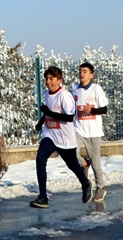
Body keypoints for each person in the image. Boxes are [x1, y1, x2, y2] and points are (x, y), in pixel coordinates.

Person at [31, 65, 93, 208]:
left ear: (60, 80)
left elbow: (69, 117)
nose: (48, 82)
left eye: (51, 79)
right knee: (40, 159)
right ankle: (43, 197)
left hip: (65, 139)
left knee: (72, 165)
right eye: (46, 79)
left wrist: (48, 113)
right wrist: (40, 123)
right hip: (50, 134)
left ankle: (85, 183)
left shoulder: (65, 96)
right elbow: (49, 111)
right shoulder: (47, 93)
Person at [71, 62, 110, 202]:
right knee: (71, 152)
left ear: (91, 75)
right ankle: (84, 164)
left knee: (96, 163)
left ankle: (101, 188)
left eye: (85, 71)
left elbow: (104, 109)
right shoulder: (74, 89)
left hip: (93, 132)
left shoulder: (96, 89)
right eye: (80, 71)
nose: (82, 73)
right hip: (79, 129)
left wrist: (92, 110)